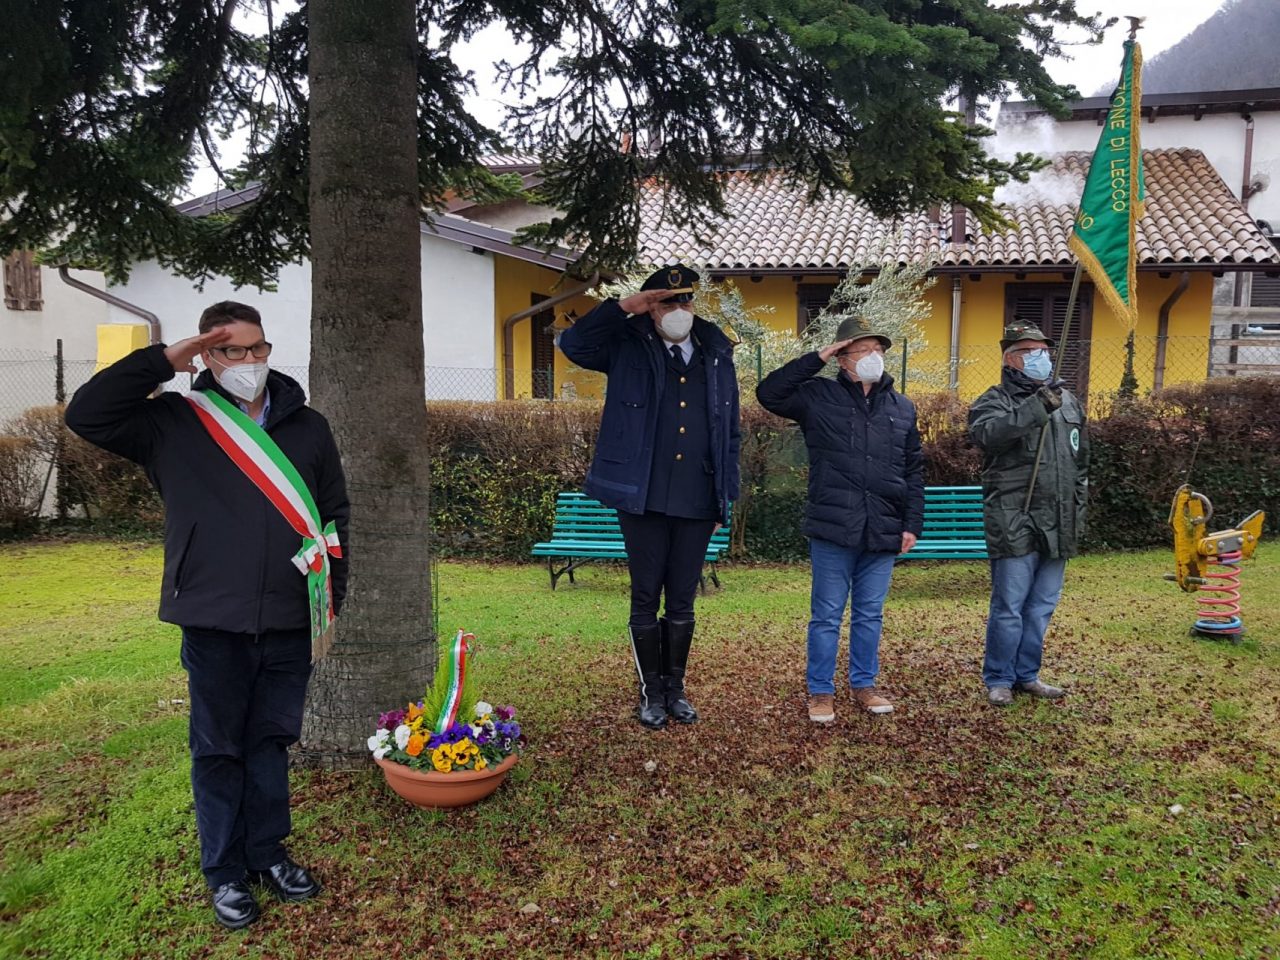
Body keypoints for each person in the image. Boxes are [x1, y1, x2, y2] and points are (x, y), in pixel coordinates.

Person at [65, 301, 349, 929]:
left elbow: (334, 517)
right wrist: (163, 361)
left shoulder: (309, 426)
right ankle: (224, 871)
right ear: (206, 356)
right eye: (232, 350)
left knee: (271, 741)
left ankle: (268, 852)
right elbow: (86, 414)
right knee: (218, 748)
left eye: (258, 349)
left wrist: (332, 599)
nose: (249, 362)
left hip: (289, 614)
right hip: (211, 615)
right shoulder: (170, 420)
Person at [558, 264, 740, 730]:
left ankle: (675, 689)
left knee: (682, 599)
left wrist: (726, 498)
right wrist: (623, 308)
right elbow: (574, 345)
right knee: (645, 597)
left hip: (697, 497)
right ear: (650, 308)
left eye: (685, 301)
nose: (679, 310)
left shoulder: (717, 352)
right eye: (666, 302)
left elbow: (730, 432)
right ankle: (649, 692)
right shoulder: (625, 343)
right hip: (643, 495)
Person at [756, 316, 924, 723]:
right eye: (863, 350)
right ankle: (820, 691)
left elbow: (914, 468)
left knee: (870, 613)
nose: (874, 357)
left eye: (879, 350)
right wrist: (818, 356)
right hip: (834, 526)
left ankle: (864, 685)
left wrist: (911, 524)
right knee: (827, 614)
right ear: (842, 358)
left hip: (883, 527)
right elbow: (769, 393)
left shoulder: (902, 407)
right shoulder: (817, 396)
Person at [967, 321, 1088, 707]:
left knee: (1041, 607)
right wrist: (1037, 407)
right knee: (1010, 608)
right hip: (1015, 518)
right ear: (1011, 358)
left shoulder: (1068, 401)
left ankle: (1027, 675)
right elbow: (988, 436)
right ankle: (999, 678)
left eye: (1044, 350)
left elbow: (1080, 462)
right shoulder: (993, 400)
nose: (1041, 357)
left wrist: (1078, 509)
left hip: (1059, 521)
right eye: (1031, 351)